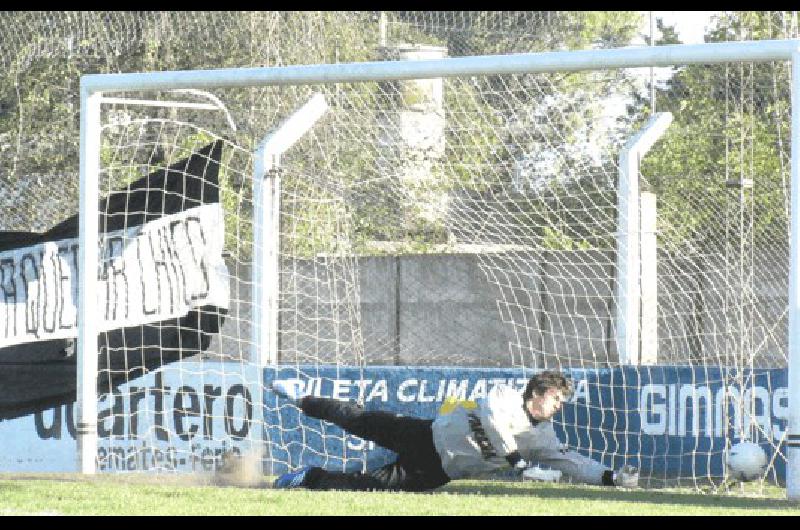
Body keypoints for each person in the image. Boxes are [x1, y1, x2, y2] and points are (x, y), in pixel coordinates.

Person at [270, 370, 638, 491]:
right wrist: (515, 460)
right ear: (538, 394)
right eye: (556, 398)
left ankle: (309, 477)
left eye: (561, 402)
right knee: (357, 419)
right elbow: (492, 419)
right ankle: (301, 398)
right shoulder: (505, 396)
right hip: (424, 435)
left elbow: (571, 462)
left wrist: (610, 478)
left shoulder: (543, 438)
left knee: (371, 488)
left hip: (437, 471)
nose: (559, 406)